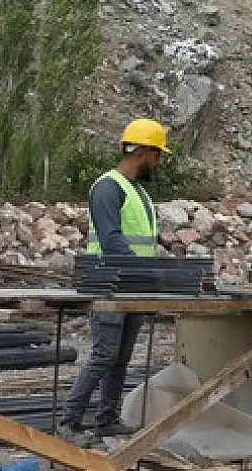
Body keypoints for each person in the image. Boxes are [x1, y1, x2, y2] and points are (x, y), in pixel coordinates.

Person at [61, 118, 174, 441]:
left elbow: (139, 239)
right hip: (109, 283)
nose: (158, 162)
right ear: (141, 153)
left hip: (133, 285)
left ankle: (107, 417)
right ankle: (69, 422)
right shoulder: (107, 188)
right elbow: (112, 240)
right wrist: (149, 274)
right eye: (157, 155)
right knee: (103, 355)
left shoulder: (136, 192)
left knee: (120, 358)